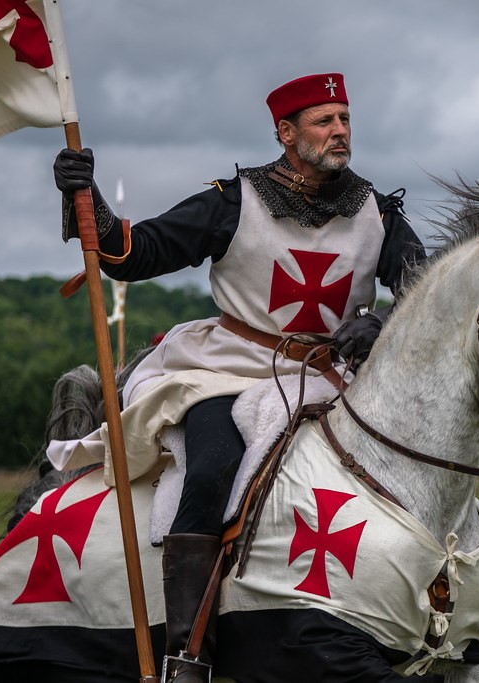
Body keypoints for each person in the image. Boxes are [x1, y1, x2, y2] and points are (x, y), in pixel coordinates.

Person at [53, 72, 426, 682]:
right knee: (211, 466)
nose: (340, 131)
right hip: (224, 370)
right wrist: (84, 196)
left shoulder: (377, 212)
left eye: (345, 119)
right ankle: (188, 652)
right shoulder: (234, 202)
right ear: (285, 132)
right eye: (323, 121)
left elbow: (424, 290)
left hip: (330, 376)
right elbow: (133, 251)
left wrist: (382, 321)